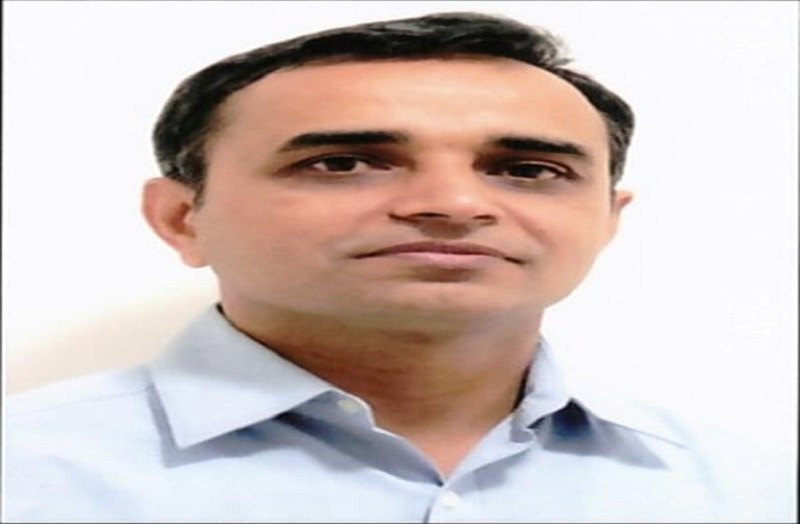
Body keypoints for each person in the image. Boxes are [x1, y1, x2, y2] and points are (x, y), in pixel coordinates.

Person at [5, 11, 736, 522]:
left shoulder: (746, 481)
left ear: (608, 219)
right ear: (181, 217)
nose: (452, 204)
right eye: (344, 162)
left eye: (528, 169)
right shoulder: (27, 472)